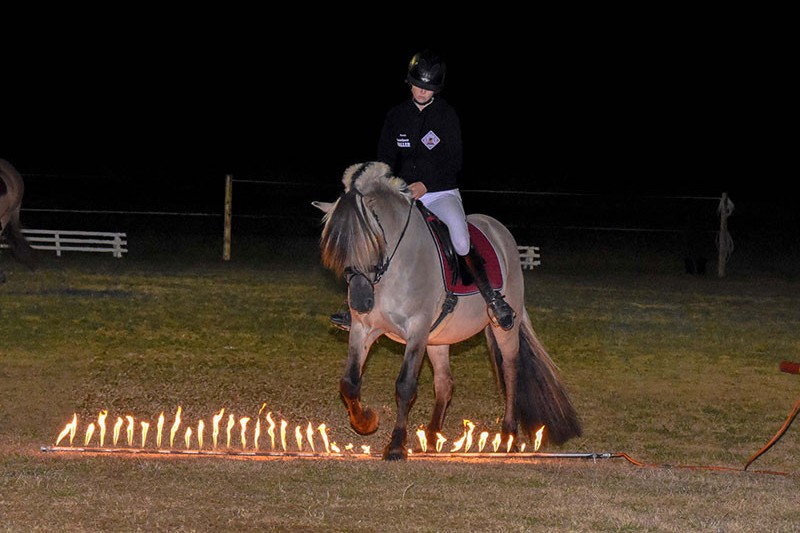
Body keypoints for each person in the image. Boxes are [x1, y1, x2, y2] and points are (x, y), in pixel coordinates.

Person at [330, 49, 515, 331]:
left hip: (440, 193)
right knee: (372, 234)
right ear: (409, 82)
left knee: (461, 239)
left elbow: (455, 160)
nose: (421, 91)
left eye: (427, 88)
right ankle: (356, 306)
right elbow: (385, 159)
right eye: (417, 85)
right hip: (402, 196)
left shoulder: (447, 116)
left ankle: (493, 297)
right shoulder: (396, 116)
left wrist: (427, 184)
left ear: (435, 89)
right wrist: (384, 187)